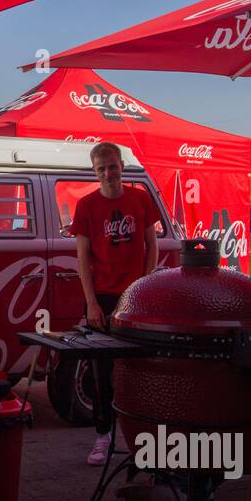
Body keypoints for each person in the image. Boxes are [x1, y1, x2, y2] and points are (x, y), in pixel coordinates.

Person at [72, 142, 159, 466]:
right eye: (101, 169)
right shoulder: (86, 206)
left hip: (135, 295)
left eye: (112, 166)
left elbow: (152, 245)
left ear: (121, 165)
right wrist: (91, 303)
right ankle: (103, 435)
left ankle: (142, 438)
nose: (108, 173)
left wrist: (144, 284)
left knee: (140, 368)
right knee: (101, 371)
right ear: (95, 172)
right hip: (103, 298)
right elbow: (82, 259)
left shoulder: (140, 199)